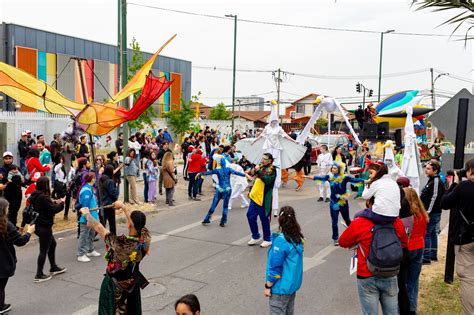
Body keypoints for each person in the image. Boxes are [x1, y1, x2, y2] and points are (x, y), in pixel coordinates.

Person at [80, 201, 151, 315]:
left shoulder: (120, 245)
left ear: (129, 224)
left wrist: (87, 214)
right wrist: (123, 207)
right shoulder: (145, 239)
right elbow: (136, 225)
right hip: (132, 284)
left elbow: (100, 228)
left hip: (115, 286)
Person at [339, 200, 408, 315]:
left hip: (366, 273)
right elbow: (404, 243)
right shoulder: (396, 222)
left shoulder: (359, 222)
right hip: (390, 273)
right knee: (392, 312)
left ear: (369, 202)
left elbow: (342, 242)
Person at [440, 159, 474, 315]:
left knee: (468, 278)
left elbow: (445, 203)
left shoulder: (464, 187)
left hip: (466, 239)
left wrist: (454, 183)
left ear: (470, 171)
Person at [305, 162, 364, 245]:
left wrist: (367, 181)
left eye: (335, 168)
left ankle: (354, 235)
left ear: (339, 169)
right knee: (334, 222)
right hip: (333, 203)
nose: (333, 169)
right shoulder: (330, 177)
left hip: (343, 202)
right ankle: (335, 238)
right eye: (332, 168)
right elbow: (320, 178)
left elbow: (356, 180)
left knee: (347, 220)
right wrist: (308, 177)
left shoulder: (345, 177)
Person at [264, 206, 304, 315]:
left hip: (280, 288)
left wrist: (268, 285)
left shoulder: (281, 242)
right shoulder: (297, 238)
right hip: (291, 287)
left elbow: (276, 269)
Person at [0, 198, 35, 314]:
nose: (9, 210)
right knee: (0, 287)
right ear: (3, 210)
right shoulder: (6, 225)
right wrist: (29, 232)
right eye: (7, 208)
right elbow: (20, 241)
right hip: (3, 262)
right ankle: (0, 307)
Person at [29, 176, 66, 282]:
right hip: (44, 226)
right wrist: (62, 203)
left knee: (52, 244)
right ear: (45, 185)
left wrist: (54, 201)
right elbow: (52, 210)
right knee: (43, 250)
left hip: (38, 225)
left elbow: (45, 206)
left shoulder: (36, 194)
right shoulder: (43, 197)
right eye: (48, 183)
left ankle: (53, 266)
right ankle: (39, 274)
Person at [200, 155, 247, 227]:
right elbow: (237, 173)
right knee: (225, 206)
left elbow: (209, 173)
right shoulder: (228, 169)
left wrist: (199, 173)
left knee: (213, 204)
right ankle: (223, 221)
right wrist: (245, 175)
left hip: (220, 189)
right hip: (228, 189)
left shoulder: (217, 170)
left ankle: (207, 219)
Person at [402, 187, 428, 315]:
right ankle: (412, 308)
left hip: (408, 247)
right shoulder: (422, 214)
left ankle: (403, 308)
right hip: (419, 246)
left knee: (402, 282)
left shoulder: (407, 215)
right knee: (413, 281)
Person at [246, 153, 277, 248]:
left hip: (263, 198)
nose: (262, 160)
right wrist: (253, 169)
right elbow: (254, 179)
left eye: (265, 159)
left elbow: (267, 180)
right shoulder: (260, 167)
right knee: (250, 215)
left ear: (270, 160)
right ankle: (255, 236)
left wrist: (259, 171)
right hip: (254, 196)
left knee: (264, 219)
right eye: (262, 158)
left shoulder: (272, 170)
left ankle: (267, 239)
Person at [420, 160, 445, 264]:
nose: (426, 170)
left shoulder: (435, 181)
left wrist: (428, 212)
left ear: (435, 171)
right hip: (433, 212)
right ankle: (432, 255)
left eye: (429, 169)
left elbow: (434, 197)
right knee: (433, 233)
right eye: (426, 168)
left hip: (432, 212)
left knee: (427, 234)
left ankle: (426, 257)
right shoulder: (431, 179)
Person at [77, 172, 101, 262]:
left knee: (91, 235)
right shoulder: (86, 190)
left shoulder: (89, 188)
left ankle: (90, 250)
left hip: (92, 217)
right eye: (95, 177)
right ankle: (81, 254)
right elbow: (85, 207)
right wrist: (87, 219)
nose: (96, 179)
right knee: (84, 235)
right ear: (92, 179)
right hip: (87, 218)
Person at [0, 152, 24, 227]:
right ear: (3, 159)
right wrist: (16, 179)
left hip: (17, 192)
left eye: (9, 158)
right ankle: (9, 227)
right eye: (6, 159)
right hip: (8, 193)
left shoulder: (16, 167)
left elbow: (22, 179)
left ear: (12, 158)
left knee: (15, 210)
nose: (8, 160)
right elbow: (5, 179)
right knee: (9, 211)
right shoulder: (2, 169)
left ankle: (14, 225)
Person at [99, 165, 119, 235]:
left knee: (102, 223)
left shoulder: (100, 179)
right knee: (112, 223)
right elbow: (113, 194)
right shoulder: (110, 181)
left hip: (101, 203)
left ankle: (90, 237)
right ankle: (113, 238)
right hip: (109, 204)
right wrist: (117, 190)